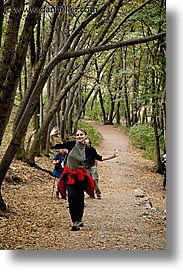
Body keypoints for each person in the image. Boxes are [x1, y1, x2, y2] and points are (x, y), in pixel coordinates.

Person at [50, 126, 120, 231]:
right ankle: (75, 221)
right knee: (72, 197)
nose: (79, 136)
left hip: (80, 176)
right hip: (69, 176)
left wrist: (113, 156)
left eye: (81, 135)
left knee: (80, 199)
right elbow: (55, 145)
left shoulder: (88, 149)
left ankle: (79, 218)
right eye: (77, 135)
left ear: (85, 136)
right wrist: (52, 136)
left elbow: (100, 158)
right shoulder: (71, 144)